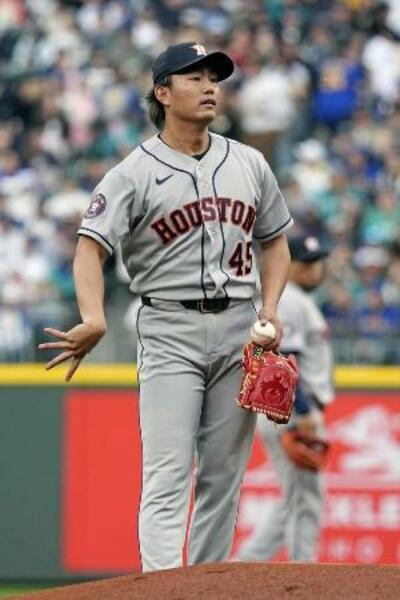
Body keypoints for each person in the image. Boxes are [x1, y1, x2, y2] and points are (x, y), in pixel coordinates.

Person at [39, 41, 293, 572]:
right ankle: (162, 586)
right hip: (168, 327)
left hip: (240, 328)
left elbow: (274, 241)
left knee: (223, 475)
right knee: (169, 472)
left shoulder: (249, 162)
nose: (209, 87)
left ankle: (203, 586)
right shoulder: (131, 173)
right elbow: (89, 248)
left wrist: (270, 307)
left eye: (213, 78)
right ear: (162, 92)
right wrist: (93, 316)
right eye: (194, 77)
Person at [238, 233, 334, 562]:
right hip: (291, 408)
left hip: (288, 408)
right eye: (306, 263)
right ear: (288, 265)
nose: (314, 269)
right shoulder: (288, 298)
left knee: (296, 496)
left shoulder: (294, 298)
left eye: (316, 262)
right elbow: (284, 358)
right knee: (304, 498)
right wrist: (304, 411)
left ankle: (244, 566)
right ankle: (303, 575)